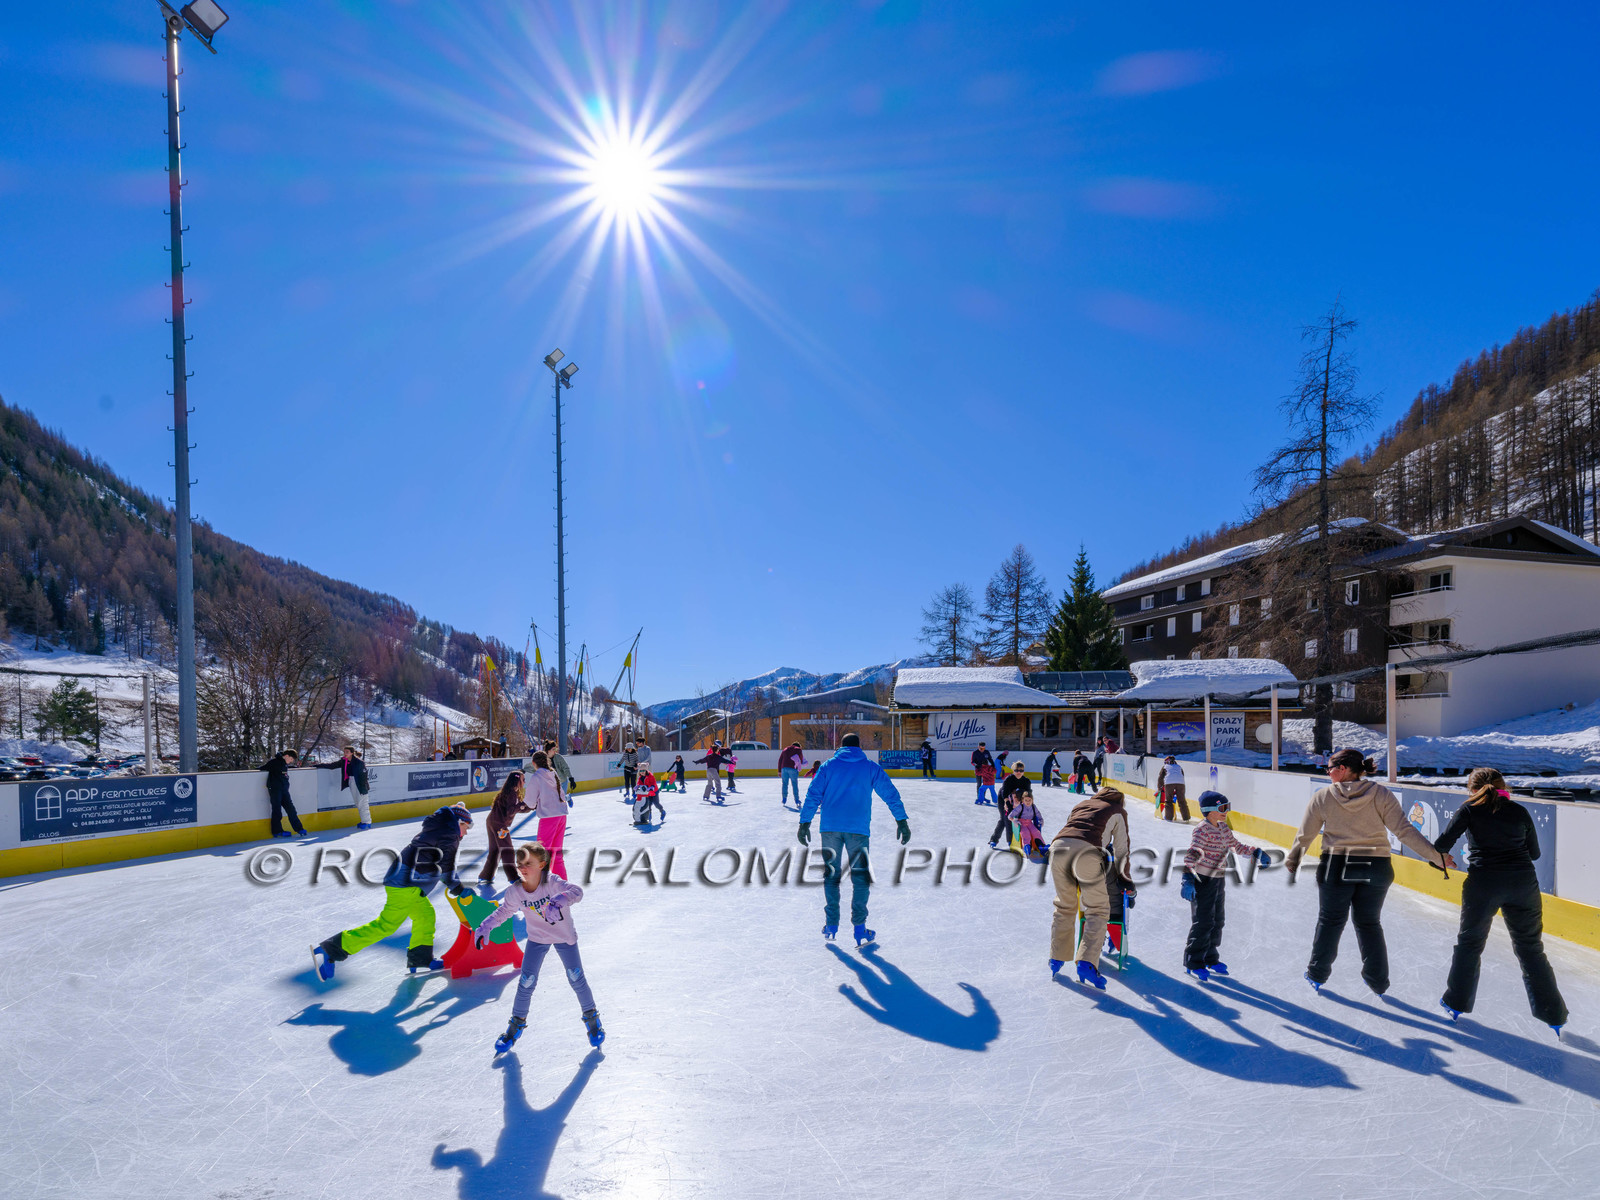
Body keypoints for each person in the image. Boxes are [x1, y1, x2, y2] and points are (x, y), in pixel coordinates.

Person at [1287, 748, 1453, 996]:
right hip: (1376, 867)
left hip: (1337, 866)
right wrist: (1437, 857)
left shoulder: (1323, 796)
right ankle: (1377, 981)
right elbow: (1404, 831)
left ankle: (1317, 974)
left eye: (1330, 768)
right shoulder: (1380, 794)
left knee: (1330, 921)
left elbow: (1306, 834)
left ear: (1343, 769)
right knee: (1369, 923)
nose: (1327, 772)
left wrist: (1294, 859)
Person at [1433, 768, 1567, 1035]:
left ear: (1472, 789)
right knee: (1530, 948)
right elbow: (1535, 853)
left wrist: (1443, 860)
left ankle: (1455, 1004)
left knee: (1470, 944)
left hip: (1484, 884)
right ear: (1504, 786)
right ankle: (1554, 1015)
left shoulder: (1468, 810)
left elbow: (1441, 845)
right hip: (1523, 885)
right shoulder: (1519, 811)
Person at [312, 802, 472, 979]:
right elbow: (446, 867)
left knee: (425, 916)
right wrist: (459, 889)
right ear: (459, 822)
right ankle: (332, 949)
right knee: (386, 925)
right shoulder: (449, 834)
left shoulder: (440, 828)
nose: (466, 832)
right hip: (406, 884)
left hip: (406, 881)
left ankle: (420, 959)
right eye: (467, 827)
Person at [474, 842, 604, 1052]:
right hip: (537, 938)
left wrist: (559, 900)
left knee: (576, 977)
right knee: (526, 982)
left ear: (542, 864)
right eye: (519, 864)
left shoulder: (552, 883)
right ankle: (515, 1026)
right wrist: (486, 925)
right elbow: (505, 911)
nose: (522, 868)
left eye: (528, 863)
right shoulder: (516, 891)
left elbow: (577, 891)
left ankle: (592, 1019)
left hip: (563, 936)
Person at [797, 732, 910, 946]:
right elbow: (890, 793)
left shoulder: (828, 766)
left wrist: (805, 823)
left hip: (830, 828)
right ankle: (859, 928)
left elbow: (813, 794)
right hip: (858, 830)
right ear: (859, 747)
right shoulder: (869, 767)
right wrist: (901, 820)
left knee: (831, 875)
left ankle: (831, 925)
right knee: (860, 877)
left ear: (841, 746)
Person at [1048, 786, 1135, 990]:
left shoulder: (1082, 804)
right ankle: (1087, 962)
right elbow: (1121, 849)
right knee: (1097, 909)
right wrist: (1125, 878)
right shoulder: (1117, 810)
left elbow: (1072, 829)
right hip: (1087, 852)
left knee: (1064, 905)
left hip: (1057, 848)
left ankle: (1056, 958)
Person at [1180, 791, 1272, 981]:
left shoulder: (1223, 827)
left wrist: (1256, 852)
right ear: (1209, 810)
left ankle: (1210, 957)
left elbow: (1236, 846)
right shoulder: (1202, 830)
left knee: (1217, 920)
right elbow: (1192, 854)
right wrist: (1187, 879)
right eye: (1222, 808)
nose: (1226, 811)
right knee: (1203, 921)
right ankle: (1193, 961)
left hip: (1218, 879)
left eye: (1227, 807)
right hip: (1202, 880)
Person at [478, 770, 532, 887]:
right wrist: (522, 805)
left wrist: (530, 806)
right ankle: (513, 877)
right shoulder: (512, 793)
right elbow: (511, 810)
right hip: (499, 825)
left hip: (492, 821)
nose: (524, 782)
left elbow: (516, 808)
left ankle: (485, 875)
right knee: (507, 849)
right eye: (523, 780)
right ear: (517, 781)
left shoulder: (510, 792)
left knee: (495, 850)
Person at [526, 751, 571, 879]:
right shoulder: (553, 773)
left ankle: (541, 885)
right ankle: (562, 885)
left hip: (549, 817)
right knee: (556, 855)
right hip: (561, 815)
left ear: (534, 763)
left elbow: (530, 801)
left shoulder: (537, 777)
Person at [317, 745, 372, 829]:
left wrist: (363, 788)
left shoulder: (359, 762)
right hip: (352, 782)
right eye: (344, 752)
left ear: (352, 753)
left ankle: (367, 822)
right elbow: (332, 766)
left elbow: (364, 775)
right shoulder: (344, 761)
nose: (345, 753)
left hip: (360, 784)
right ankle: (364, 821)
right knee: (358, 803)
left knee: (362, 803)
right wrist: (317, 765)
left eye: (347, 752)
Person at [259, 749, 306, 838]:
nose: (291, 761)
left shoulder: (284, 764)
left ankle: (299, 828)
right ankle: (277, 831)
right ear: (287, 756)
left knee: (291, 810)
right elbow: (262, 768)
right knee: (277, 810)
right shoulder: (274, 762)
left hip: (284, 790)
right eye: (291, 759)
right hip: (275, 790)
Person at [991, 761, 1031, 847]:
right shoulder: (1008, 780)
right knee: (1005, 819)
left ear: (1023, 771)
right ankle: (996, 840)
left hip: (1018, 801)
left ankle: (1020, 841)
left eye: (1021, 770)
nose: (1019, 772)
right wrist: (1006, 803)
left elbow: (1028, 795)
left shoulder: (1026, 781)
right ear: (1013, 771)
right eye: (1016, 770)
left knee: (1019, 820)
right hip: (1004, 799)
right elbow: (1005, 793)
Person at [1011, 789, 1046, 857]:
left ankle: (1042, 847)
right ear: (1022, 800)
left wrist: (1041, 820)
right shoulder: (1020, 807)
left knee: (1036, 832)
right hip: (1021, 824)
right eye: (1026, 800)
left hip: (1030, 823)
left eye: (1029, 800)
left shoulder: (1033, 807)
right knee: (1025, 833)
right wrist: (1014, 820)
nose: (1028, 802)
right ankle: (1027, 847)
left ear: (1032, 800)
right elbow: (1010, 816)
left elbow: (1038, 814)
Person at [1156, 755, 1191, 821]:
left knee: (1168, 800)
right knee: (1182, 800)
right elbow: (1182, 775)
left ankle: (1168, 818)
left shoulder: (1165, 767)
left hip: (1169, 783)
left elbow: (1160, 778)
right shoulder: (1179, 766)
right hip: (1181, 783)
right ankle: (1186, 818)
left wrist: (1160, 787)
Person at [779, 742, 807, 807]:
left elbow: (780, 760)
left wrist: (779, 771)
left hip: (784, 768)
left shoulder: (785, 749)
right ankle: (797, 800)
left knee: (785, 784)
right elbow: (801, 759)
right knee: (794, 784)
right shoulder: (798, 749)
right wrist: (802, 763)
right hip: (793, 769)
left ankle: (784, 798)